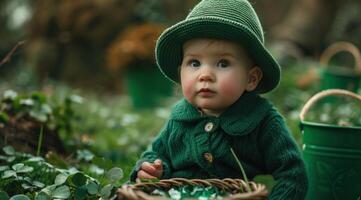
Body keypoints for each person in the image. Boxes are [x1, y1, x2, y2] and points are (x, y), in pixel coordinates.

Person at [129, 0, 308, 199]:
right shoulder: (180, 118)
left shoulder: (263, 121)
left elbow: (293, 175)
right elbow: (157, 153)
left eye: (223, 63)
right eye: (194, 63)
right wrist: (151, 168)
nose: (205, 75)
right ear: (181, 72)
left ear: (251, 78)